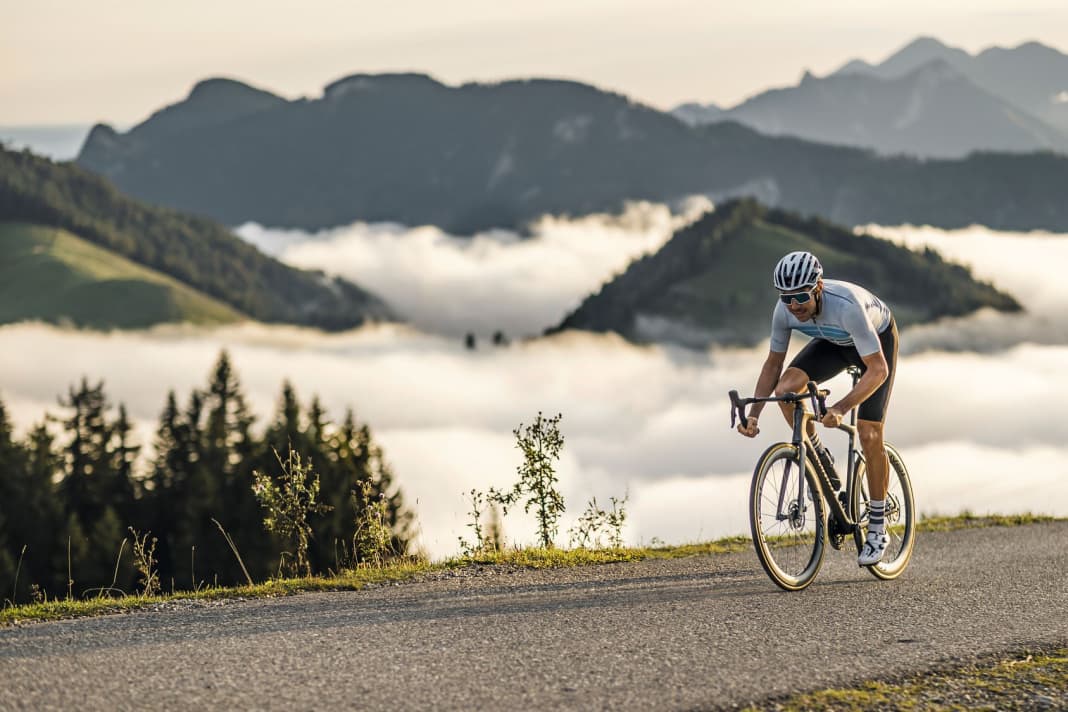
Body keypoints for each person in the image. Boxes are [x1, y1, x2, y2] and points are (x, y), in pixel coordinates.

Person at [737, 250, 899, 566]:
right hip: (833, 343)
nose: (794, 305)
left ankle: (878, 526)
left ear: (818, 288)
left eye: (801, 296)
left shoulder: (847, 306)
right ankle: (816, 452)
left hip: (875, 345)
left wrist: (839, 407)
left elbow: (878, 370)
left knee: (868, 433)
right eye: (787, 298)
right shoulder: (783, 311)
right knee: (786, 391)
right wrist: (754, 415)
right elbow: (773, 366)